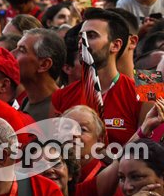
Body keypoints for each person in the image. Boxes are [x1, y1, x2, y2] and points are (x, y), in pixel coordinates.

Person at [52, 8, 151, 145]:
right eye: (80, 37)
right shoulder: (63, 95)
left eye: (92, 35)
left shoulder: (150, 84)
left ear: (120, 43)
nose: (82, 42)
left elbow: (150, 151)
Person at [14, 28, 65, 122]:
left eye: (22, 50)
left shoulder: (62, 109)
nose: (12, 54)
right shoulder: (26, 102)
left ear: (44, 65)